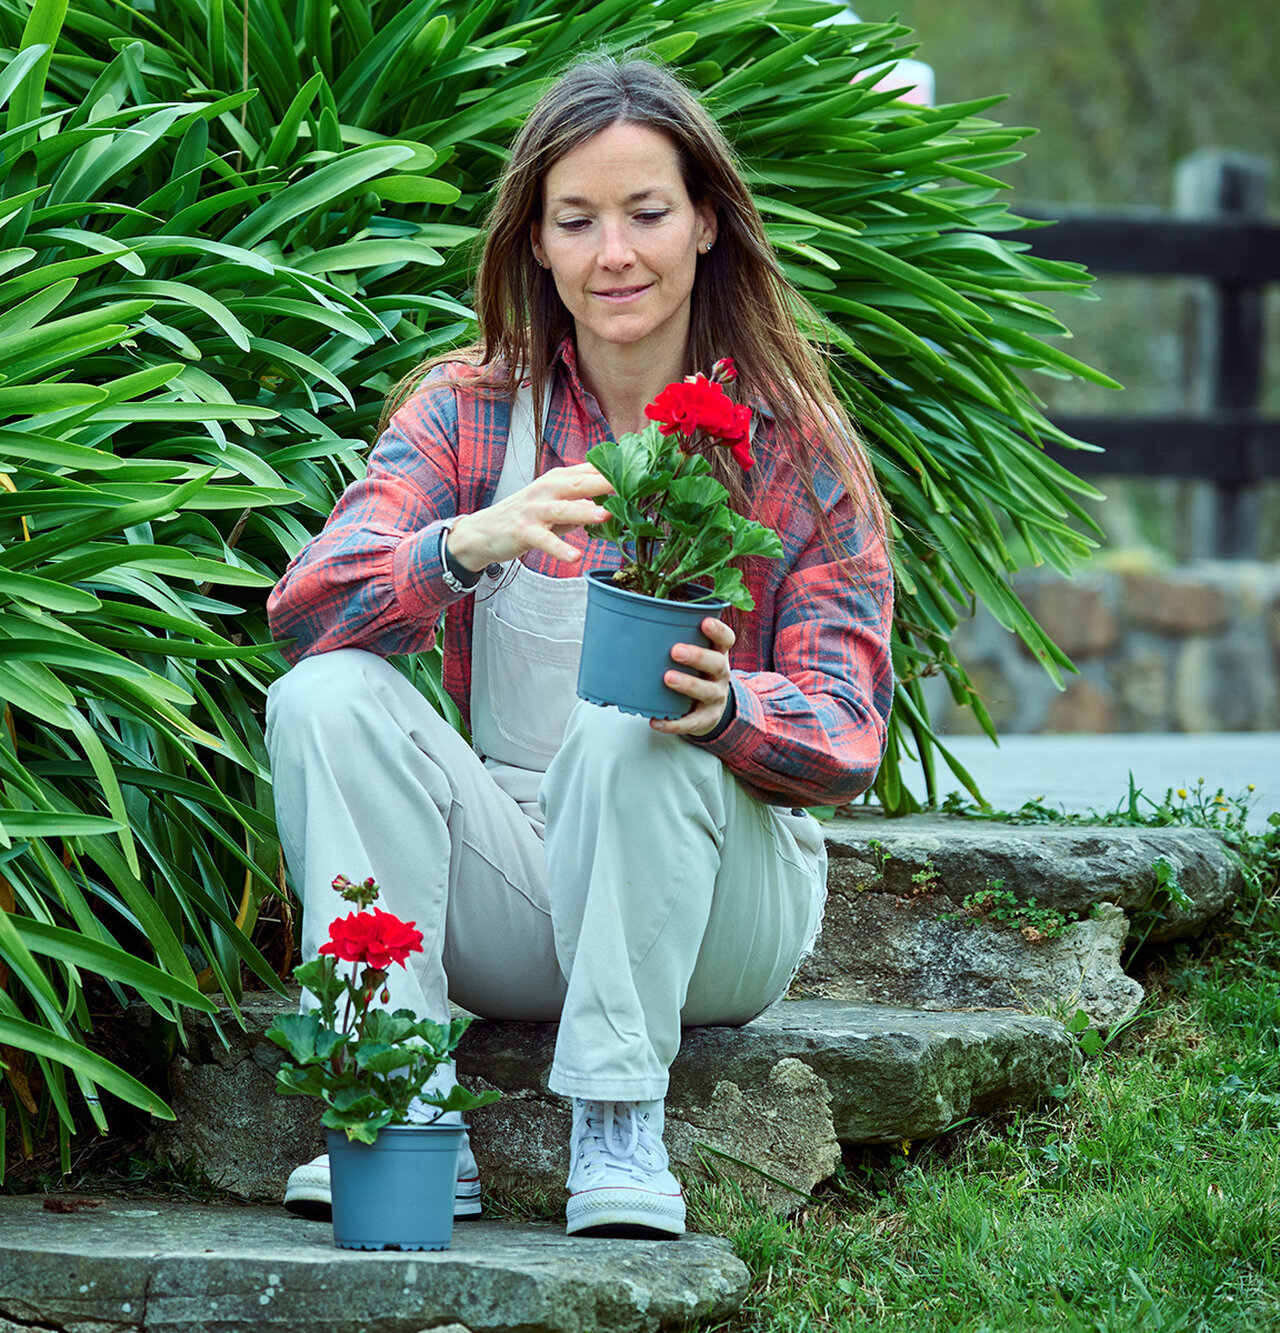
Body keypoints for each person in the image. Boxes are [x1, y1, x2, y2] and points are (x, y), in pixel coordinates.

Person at [262, 55, 894, 1239]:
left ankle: (617, 1121)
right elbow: (304, 611)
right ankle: (392, 1099)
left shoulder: (792, 442)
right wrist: (466, 540)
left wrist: (726, 712)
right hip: (523, 884)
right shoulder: (468, 410)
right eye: (577, 220)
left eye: (646, 212)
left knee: (632, 723)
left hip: (717, 912)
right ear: (536, 245)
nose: (615, 253)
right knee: (327, 697)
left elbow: (848, 727)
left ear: (705, 221)